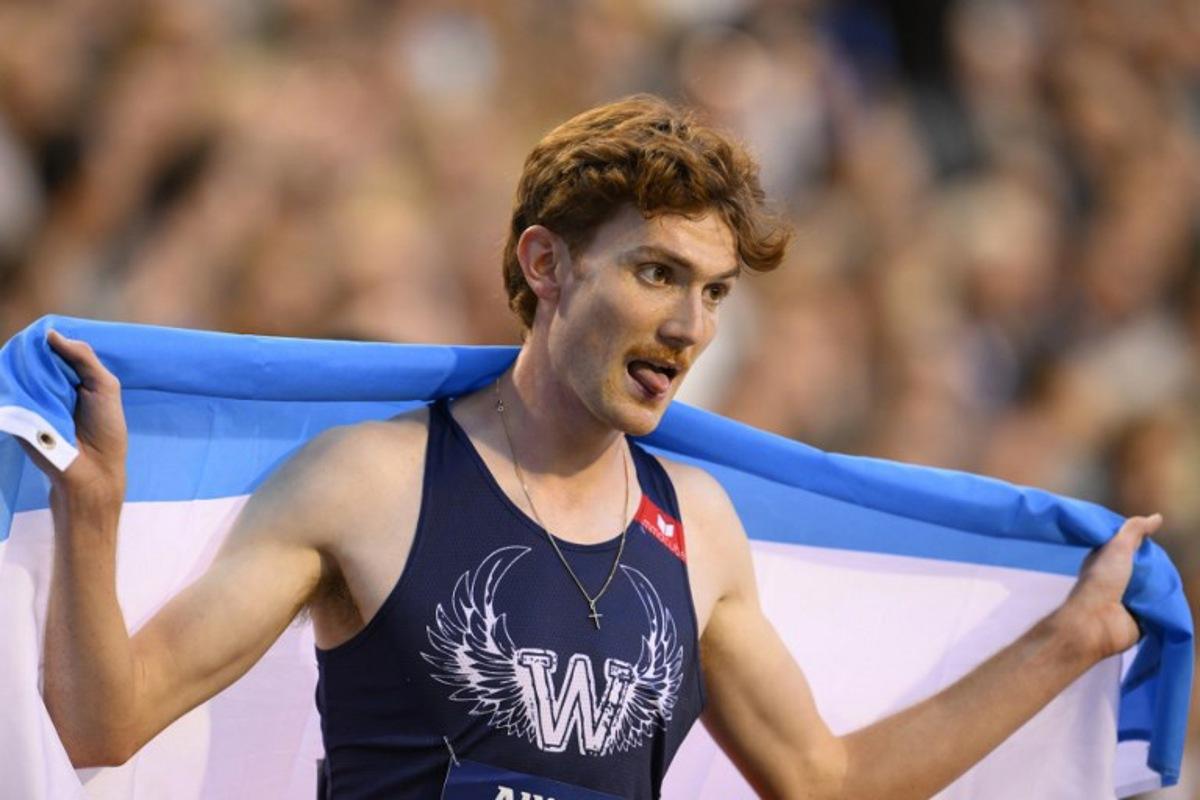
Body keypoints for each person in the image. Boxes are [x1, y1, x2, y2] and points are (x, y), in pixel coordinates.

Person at [30, 95, 1161, 799]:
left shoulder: (698, 527)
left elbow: (824, 781)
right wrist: (91, 520)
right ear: (545, 263)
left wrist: (1067, 641)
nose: (692, 327)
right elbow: (104, 718)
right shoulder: (371, 480)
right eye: (657, 272)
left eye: (713, 290)